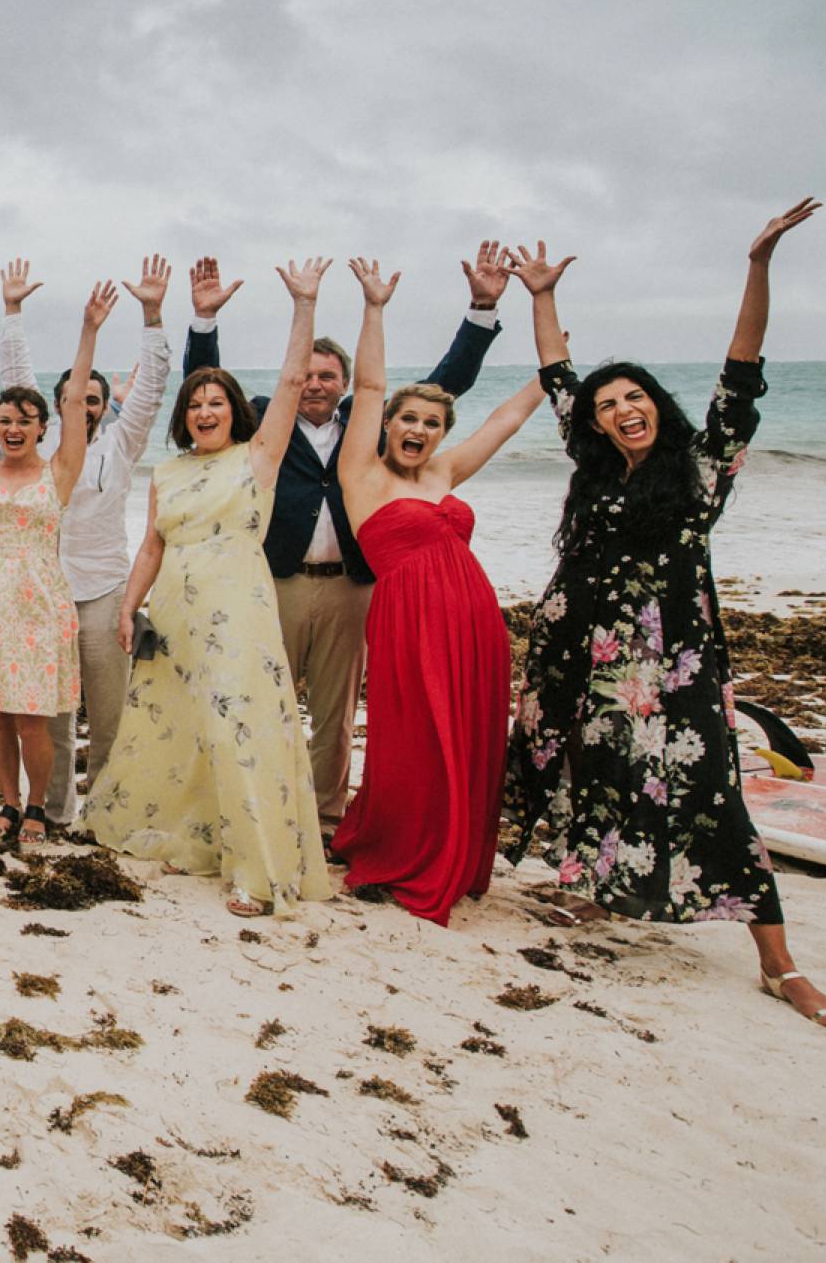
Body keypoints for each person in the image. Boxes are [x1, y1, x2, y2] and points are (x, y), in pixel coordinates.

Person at [503, 203, 826, 1034]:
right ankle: (598, 897)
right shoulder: (592, 467)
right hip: (581, 652)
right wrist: (541, 295)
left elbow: (742, 366)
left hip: (675, 665)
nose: (623, 410)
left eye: (634, 397)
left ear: (656, 403)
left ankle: (781, 965)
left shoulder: (703, 466)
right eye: (607, 405)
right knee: (593, 780)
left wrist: (758, 264)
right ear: (592, 424)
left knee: (711, 795)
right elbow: (558, 369)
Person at [182, 244, 512, 825]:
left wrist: (481, 311)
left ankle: (326, 817)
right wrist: (204, 322)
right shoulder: (264, 417)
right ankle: (260, 811)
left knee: (334, 715)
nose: (314, 384)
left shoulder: (375, 428)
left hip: (353, 586)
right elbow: (202, 390)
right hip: (276, 580)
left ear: (342, 382)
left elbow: (442, 389)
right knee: (263, 700)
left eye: (326, 376)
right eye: (305, 374)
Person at [93, 259, 338, 918]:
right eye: (195, 404)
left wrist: (304, 305)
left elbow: (291, 381)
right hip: (176, 614)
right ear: (184, 416)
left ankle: (257, 873)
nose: (205, 411)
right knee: (189, 730)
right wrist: (128, 606)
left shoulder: (258, 458)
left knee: (241, 732)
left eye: (217, 402)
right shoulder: (167, 473)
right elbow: (152, 544)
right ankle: (202, 843)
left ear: (236, 411)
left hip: (240, 616)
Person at [326, 260, 543, 925]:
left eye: (431, 423)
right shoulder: (361, 473)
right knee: (415, 741)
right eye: (407, 420)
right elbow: (367, 385)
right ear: (388, 425)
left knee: (472, 740)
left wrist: (551, 342)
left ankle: (456, 852)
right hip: (406, 623)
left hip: (475, 624)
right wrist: (375, 307)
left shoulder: (446, 470)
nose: (418, 431)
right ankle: (403, 852)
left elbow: (509, 417)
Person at [0, 282, 113, 845]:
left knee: (33, 715)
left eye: (24, 420)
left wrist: (90, 331)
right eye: (5, 419)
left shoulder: (58, 472)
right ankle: (7, 804)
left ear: (43, 426)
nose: (12, 428)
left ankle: (38, 806)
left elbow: (78, 395)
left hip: (37, 605)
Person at [0, 256, 174, 830]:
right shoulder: (41, 454)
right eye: (77, 400)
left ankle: (107, 814)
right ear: (56, 412)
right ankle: (54, 812)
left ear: (104, 405)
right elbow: (14, 382)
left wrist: (153, 316)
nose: (88, 406)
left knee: (108, 715)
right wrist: (13, 312)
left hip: (102, 594)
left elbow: (151, 387)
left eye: (96, 398)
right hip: (41, 599)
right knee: (52, 717)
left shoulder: (121, 445)